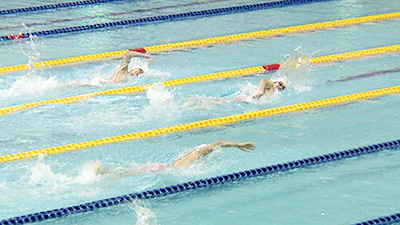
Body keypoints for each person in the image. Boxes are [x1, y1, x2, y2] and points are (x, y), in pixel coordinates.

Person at [93, 141, 255, 178]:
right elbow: (219, 143)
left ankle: (106, 171)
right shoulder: (200, 153)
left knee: (131, 172)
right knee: (129, 174)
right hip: (167, 170)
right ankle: (106, 173)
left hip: (165, 166)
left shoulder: (191, 154)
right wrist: (238, 145)